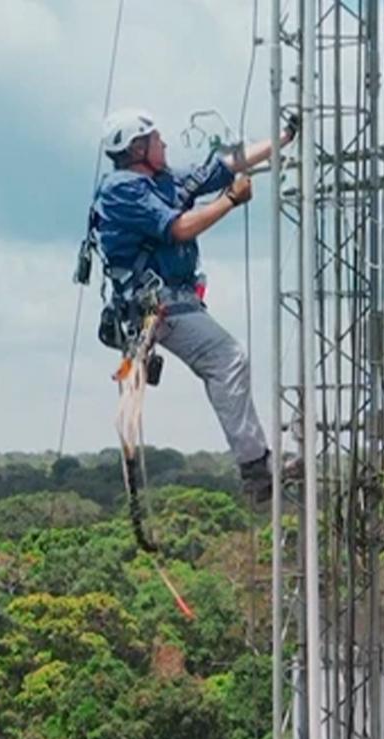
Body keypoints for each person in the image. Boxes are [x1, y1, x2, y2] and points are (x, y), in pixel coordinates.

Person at [94, 108, 298, 503]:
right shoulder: (123, 190)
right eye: (156, 139)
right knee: (227, 359)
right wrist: (229, 202)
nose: (164, 143)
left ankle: (256, 462)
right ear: (138, 148)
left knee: (226, 360)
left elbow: (223, 166)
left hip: (174, 299)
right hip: (156, 304)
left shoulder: (160, 180)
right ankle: (256, 467)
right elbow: (178, 228)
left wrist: (285, 137)